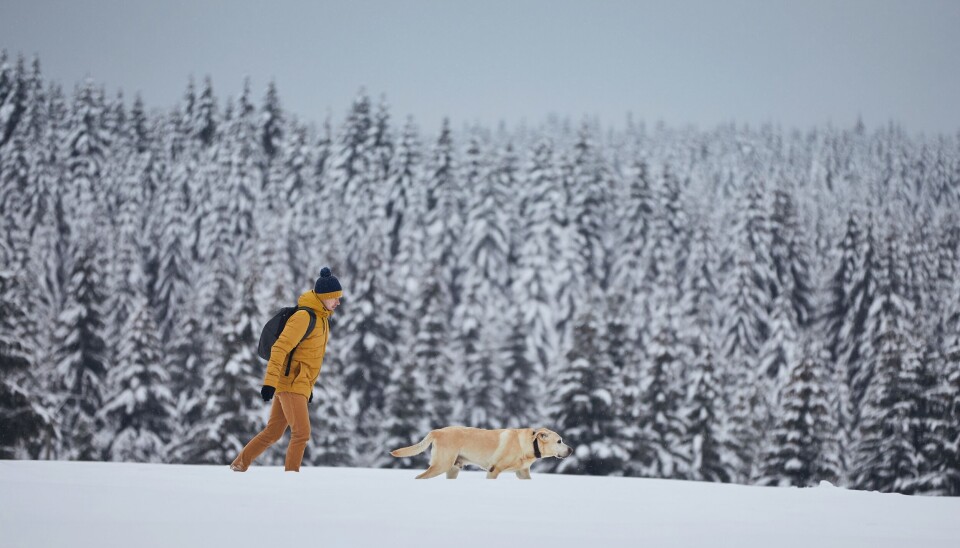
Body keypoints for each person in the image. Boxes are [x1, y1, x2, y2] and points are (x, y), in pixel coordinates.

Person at [230, 267, 342, 472]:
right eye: (335, 297)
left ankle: (239, 463)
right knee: (301, 433)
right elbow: (280, 349)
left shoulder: (322, 319)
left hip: (298, 383)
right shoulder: (304, 317)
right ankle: (291, 478)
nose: (338, 302)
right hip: (290, 383)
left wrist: (308, 388)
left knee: (273, 432)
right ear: (324, 297)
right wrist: (269, 383)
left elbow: (307, 359)